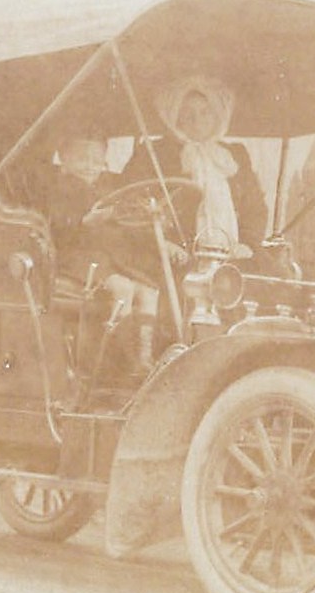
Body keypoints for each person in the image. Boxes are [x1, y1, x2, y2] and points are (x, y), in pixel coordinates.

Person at [43, 135, 160, 374]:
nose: (90, 166)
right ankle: (123, 357)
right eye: (82, 159)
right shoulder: (59, 188)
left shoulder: (107, 186)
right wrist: (86, 221)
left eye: (97, 160)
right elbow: (58, 227)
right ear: (64, 159)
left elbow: (124, 219)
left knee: (149, 290)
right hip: (75, 256)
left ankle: (144, 357)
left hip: (109, 256)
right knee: (123, 288)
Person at [122, 76, 267, 260]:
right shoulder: (152, 154)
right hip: (173, 255)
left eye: (205, 112)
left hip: (234, 254)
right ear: (175, 116)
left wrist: (248, 244)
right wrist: (160, 243)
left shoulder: (235, 155)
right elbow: (131, 205)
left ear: (218, 115)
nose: (197, 119)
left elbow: (255, 207)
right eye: (187, 111)